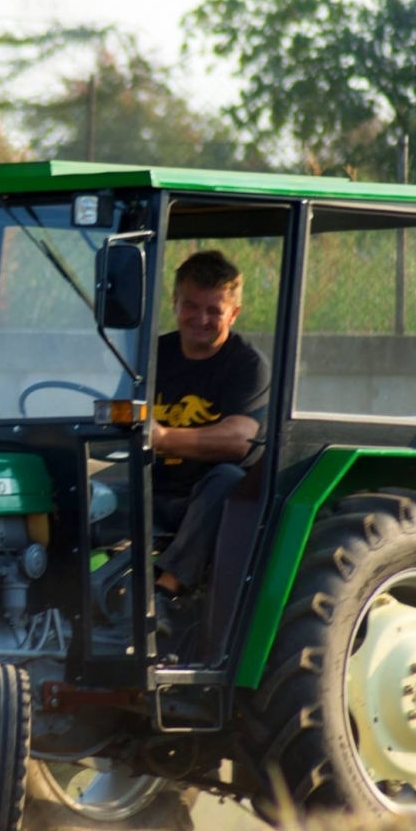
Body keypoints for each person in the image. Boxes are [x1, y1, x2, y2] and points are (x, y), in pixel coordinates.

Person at [149, 250, 269, 628]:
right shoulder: (152, 356)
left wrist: (163, 437)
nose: (200, 319)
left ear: (233, 314)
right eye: (190, 306)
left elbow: (238, 439)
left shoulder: (248, 365)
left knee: (228, 480)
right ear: (175, 303)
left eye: (214, 311)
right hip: (149, 490)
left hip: (204, 499)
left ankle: (162, 594)